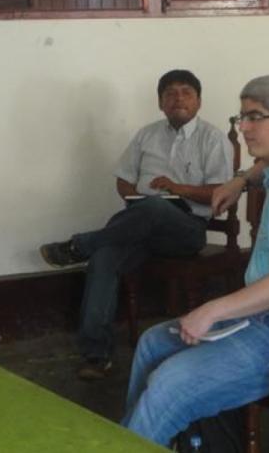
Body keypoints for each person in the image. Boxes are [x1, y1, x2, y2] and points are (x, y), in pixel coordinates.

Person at [121, 74, 269, 446]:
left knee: (172, 383)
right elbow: (267, 163)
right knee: (154, 344)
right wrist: (242, 180)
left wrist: (210, 311)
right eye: (241, 117)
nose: (243, 127)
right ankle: (130, 438)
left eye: (253, 117)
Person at [39, 69, 234, 380]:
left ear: (199, 101)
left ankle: (80, 246)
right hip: (141, 224)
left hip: (187, 228)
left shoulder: (213, 138)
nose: (178, 98)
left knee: (154, 206)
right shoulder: (147, 135)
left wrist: (178, 189)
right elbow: (124, 180)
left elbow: (221, 192)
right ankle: (96, 355)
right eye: (170, 93)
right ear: (160, 103)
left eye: (186, 92)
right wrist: (135, 201)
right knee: (105, 258)